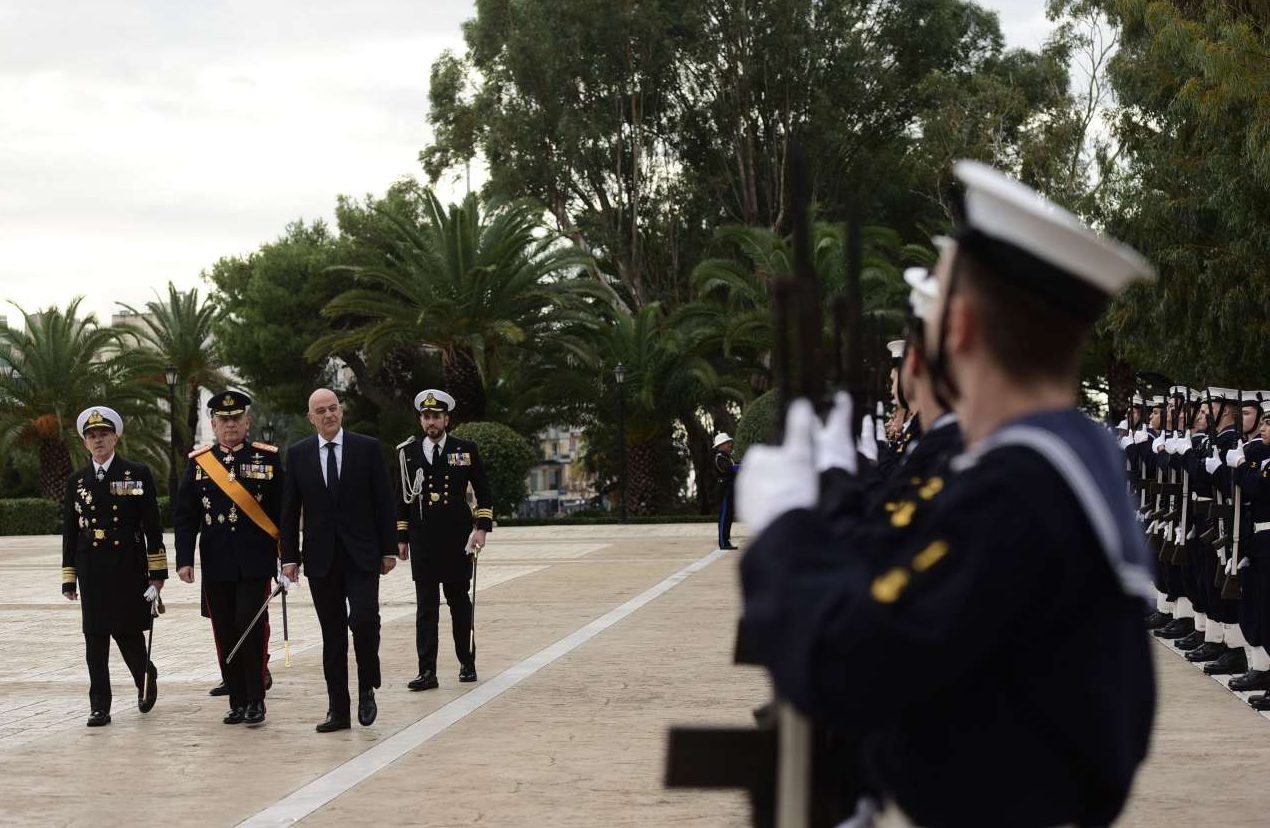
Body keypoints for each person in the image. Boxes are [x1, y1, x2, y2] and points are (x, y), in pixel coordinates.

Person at [737, 161, 1157, 826]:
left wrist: (788, 523)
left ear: (958, 326)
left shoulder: (1023, 486)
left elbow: (853, 663)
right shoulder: (1062, 456)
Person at [280, 388, 397, 732]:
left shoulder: (367, 448)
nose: (328, 415)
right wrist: (289, 558)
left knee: (364, 620)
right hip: (321, 559)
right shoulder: (298, 454)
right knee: (332, 636)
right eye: (321, 411)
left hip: (362, 555)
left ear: (341, 411)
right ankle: (338, 710)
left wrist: (389, 548)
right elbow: (289, 512)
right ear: (310, 418)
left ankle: (367, 685)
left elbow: (384, 501)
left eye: (333, 408)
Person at [175, 391, 284, 727]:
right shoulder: (200, 462)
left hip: (255, 561)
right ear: (213, 425)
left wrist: (288, 557)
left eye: (236, 419)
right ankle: (237, 700)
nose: (230, 425)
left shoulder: (267, 459)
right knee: (224, 631)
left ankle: (256, 699)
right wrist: (184, 559)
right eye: (223, 420)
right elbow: (185, 516)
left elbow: (283, 511)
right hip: (217, 561)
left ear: (247, 422)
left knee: (249, 627)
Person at [61, 406, 167, 727]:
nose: (98, 441)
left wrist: (157, 574)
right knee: (95, 637)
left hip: (127, 565)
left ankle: (144, 676)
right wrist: (69, 577)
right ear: (85, 442)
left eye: (104, 435)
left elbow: (152, 526)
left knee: (127, 631)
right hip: (91, 567)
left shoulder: (136, 473)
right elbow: (70, 531)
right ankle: (99, 706)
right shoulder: (77, 481)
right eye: (92, 436)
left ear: (115, 438)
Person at [397, 390, 493, 690]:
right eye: (426, 417)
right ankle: (427, 671)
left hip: (456, 539)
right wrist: (401, 536)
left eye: (436, 417)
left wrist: (481, 528)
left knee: (459, 603)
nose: (431, 422)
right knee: (426, 608)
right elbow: (401, 498)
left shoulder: (464, 449)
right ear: (421, 420)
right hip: (423, 539)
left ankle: (467, 662)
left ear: (446, 419)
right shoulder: (408, 453)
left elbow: (484, 491)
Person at [712, 433, 739, 550]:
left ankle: (726, 541)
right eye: (727, 443)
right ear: (721, 445)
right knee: (724, 515)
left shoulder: (727, 457)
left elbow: (733, 466)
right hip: (724, 490)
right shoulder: (720, 458)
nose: (729, 445)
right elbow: (728, 469)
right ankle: (723, 543)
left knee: (729, 516)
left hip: (730, 489)